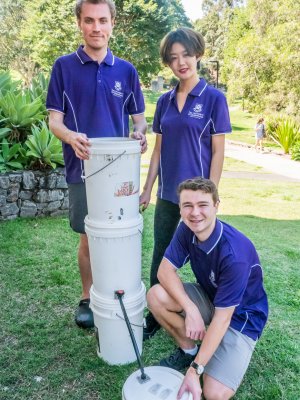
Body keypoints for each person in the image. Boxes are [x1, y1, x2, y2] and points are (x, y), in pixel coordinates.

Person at [46, 0, 147, 329]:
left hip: (119, 172)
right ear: (79, 23)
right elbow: (54, 121)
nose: (96, 27)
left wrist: (140, 135)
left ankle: (117, 289)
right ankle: (88, 297)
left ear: (112, 23)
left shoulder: (127, 70)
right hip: (82, 167)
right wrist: (71, 136)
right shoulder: (63, 67)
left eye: (102, 20)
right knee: (89, 235)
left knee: (120, 233)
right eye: (89, 20)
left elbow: (140, 122)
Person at [140, 27, 231, 340]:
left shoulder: (214, 99)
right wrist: (147, 188)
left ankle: (215, 315)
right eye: (173, 57)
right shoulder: (164, 102)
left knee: (208, 256)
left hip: (196, 199)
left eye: (186, 55)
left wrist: (210, 196)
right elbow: (158, 150)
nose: (181, 62)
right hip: (167, 195)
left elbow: (218, 151)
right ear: (168, 63)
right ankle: (155, 314)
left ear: (198, 55)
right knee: (161, 255)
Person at [147, 177, 268, 400]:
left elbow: (224, 318)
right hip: (212, 298)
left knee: (214, 394)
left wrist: (195, 371)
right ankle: (189, 349)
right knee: (156, 295)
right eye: (187, 206)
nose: (195, 213)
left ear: (216, 206)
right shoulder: (186, 229)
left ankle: (215, 350)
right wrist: (191, 310)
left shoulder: (234, 255)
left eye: (202, 205)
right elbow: (164, 271)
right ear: (181, 209)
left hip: (242, 318)